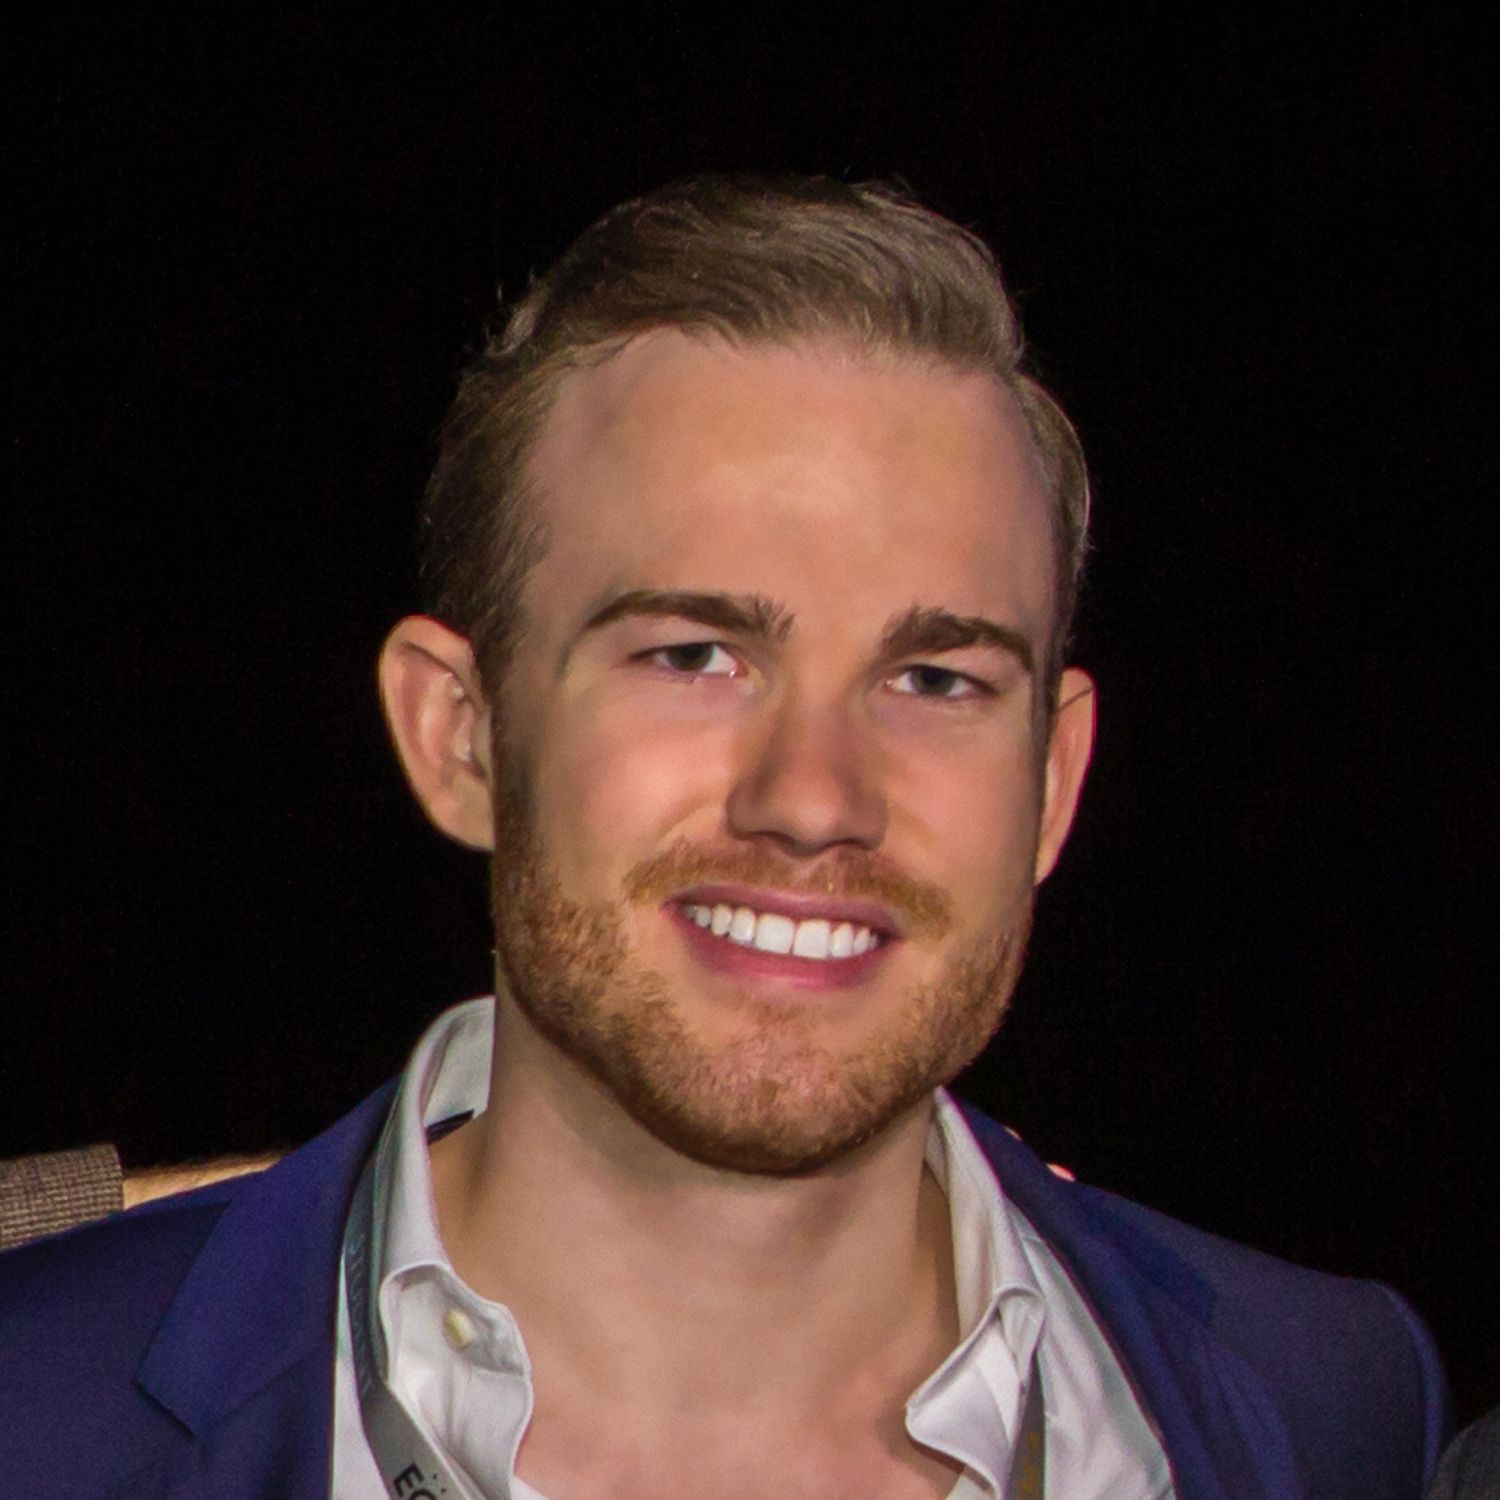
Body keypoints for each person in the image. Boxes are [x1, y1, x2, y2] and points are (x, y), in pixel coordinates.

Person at [0, 177, 1448, 1497]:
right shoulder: (39, 1410)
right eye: (694, 656)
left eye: (935, 680)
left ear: (1055, 780)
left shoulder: (1328, 1404)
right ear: (460, 733)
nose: (814, 798)